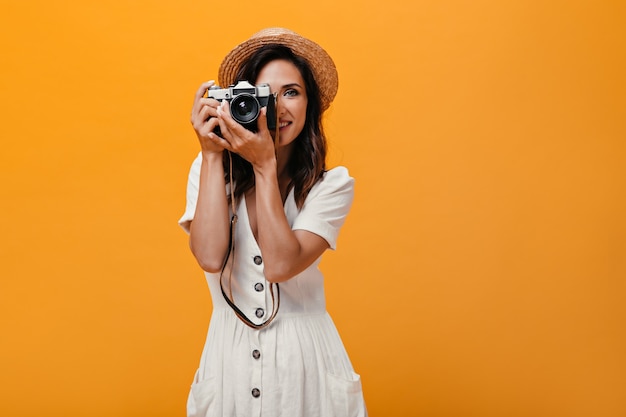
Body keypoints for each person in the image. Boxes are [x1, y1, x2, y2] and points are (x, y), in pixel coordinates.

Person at [179, 27, 367, 417]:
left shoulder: (331, 184)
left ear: (310, 105)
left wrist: (265, 166)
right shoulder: (209, 170)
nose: (278, 109)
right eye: (265, 95)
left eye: (292, 93)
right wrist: (213, 155)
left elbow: (281, 265)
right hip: (227, 358)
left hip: (305, 364)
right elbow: (210, 257)